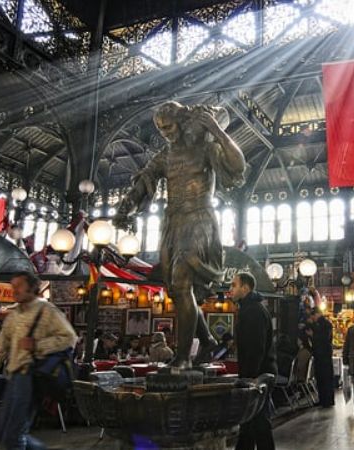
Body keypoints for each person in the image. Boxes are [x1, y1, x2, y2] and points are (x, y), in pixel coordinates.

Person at [113, 101, 246, 368]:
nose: (166, 133)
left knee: (182, 283)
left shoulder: (206, 146)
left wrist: (218, 131)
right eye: (160, 130)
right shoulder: (165, 156)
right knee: (176, 289)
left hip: (199, 220)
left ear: (182, 121)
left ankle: (183, 357)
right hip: (173, 224)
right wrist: (125, 207)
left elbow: (237, 167)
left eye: (169, 127)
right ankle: (206, 341)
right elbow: (144, 181)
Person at [0, 272, 77, 450]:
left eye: (18, 286)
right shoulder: (13, 316)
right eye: (13, 286)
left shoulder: (47, 310)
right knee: (3, 433)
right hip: (13, 377)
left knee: (14, 433)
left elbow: (69, 338)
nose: (14, 290)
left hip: (31, 376)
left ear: (32, 288)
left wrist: (37, 345)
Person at [232, 272, 277, 450]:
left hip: (258, 376)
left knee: (258, 422)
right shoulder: (251, 308)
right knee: (251, 423)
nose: (230, 289)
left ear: (245, 287)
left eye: (234, 285)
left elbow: (255, 347)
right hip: (260, 374)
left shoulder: (253, 311)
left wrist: (250, 378)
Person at [310, 308, 335, 407]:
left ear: (318, 314)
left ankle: (326, 400)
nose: (313, 318)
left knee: (324, 378)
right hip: (322, 354)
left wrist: (313, 335)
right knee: (322, 378)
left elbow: (324, 338)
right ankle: (324, 399)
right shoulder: (322, 324)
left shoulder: (324, 324)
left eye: (314, 316)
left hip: (323, 355)